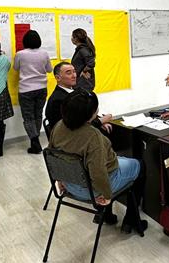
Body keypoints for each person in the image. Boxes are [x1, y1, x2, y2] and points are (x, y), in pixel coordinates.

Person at [49, 89, 147, 234]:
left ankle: (106, 216)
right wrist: (106, 196)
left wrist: (59, 179)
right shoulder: (92, 136)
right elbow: (98, 173)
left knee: (116, 161)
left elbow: (52, 156)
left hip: (69, 185)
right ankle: (131, 220)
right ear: (90, 114)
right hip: (91, 191)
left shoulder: (58, 127)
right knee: (140, 165)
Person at [44, 62, 114, 137]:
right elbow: (75, 128)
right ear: (58, 78)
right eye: (69, 73)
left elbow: (85, 115)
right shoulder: (58, 100)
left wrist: (100, 121)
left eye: (74, 71)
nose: (74, 75)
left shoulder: (75, 91)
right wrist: (101, 121)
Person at [13, 30, 52, 154]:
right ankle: (35, 140)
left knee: (28, 117)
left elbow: (15, 68)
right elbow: (49, 70)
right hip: (41, 88)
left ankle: (34, 141)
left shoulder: (20, 54)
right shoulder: (44, 53)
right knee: (38, 115)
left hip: (26, 89)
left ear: (25, 41)